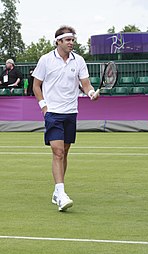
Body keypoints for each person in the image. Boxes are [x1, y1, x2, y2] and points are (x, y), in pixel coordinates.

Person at [32, 25, 98, 212]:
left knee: (65, 152)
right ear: (58, 41)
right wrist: (43, 106)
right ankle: (61, 194)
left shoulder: (79, 61)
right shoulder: (45, 60)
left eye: (73, 40)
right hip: (52, 112)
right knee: (58, 152)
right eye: (68, 40)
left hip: (71, 111)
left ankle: (56, 190)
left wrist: (91, 93)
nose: (71, 43)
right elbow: (36, 86)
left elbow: (85, 84)